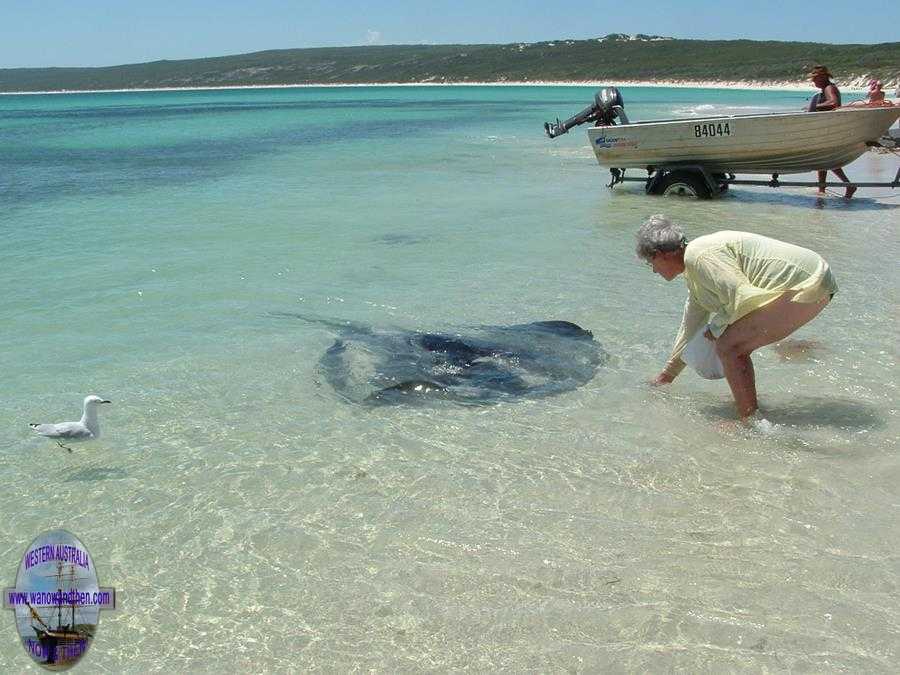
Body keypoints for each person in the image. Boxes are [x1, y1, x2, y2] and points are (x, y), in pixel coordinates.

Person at [637, 215, 837, 420]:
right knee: (734, 344)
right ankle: (749, 410)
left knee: (729, 346)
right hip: (815, 282)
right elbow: (690, 329)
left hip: (807, 281)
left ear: (661, 254)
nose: (653, 270)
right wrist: (667, 376)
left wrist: (715, 329)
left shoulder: (699, 256)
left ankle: (748, 420)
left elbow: (742, 295)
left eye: (650, 262)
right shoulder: (695, 275)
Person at [808, 65, 856, 198]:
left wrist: (813, 106)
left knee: (826, 160)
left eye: (815, 78)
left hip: (829, 129)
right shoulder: (826, 88)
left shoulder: (829, 88)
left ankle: (848, 185)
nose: (813, 81)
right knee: (823, 160)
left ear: (823, 77)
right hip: (826, 128)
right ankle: (822, 189)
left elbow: (834, 103)